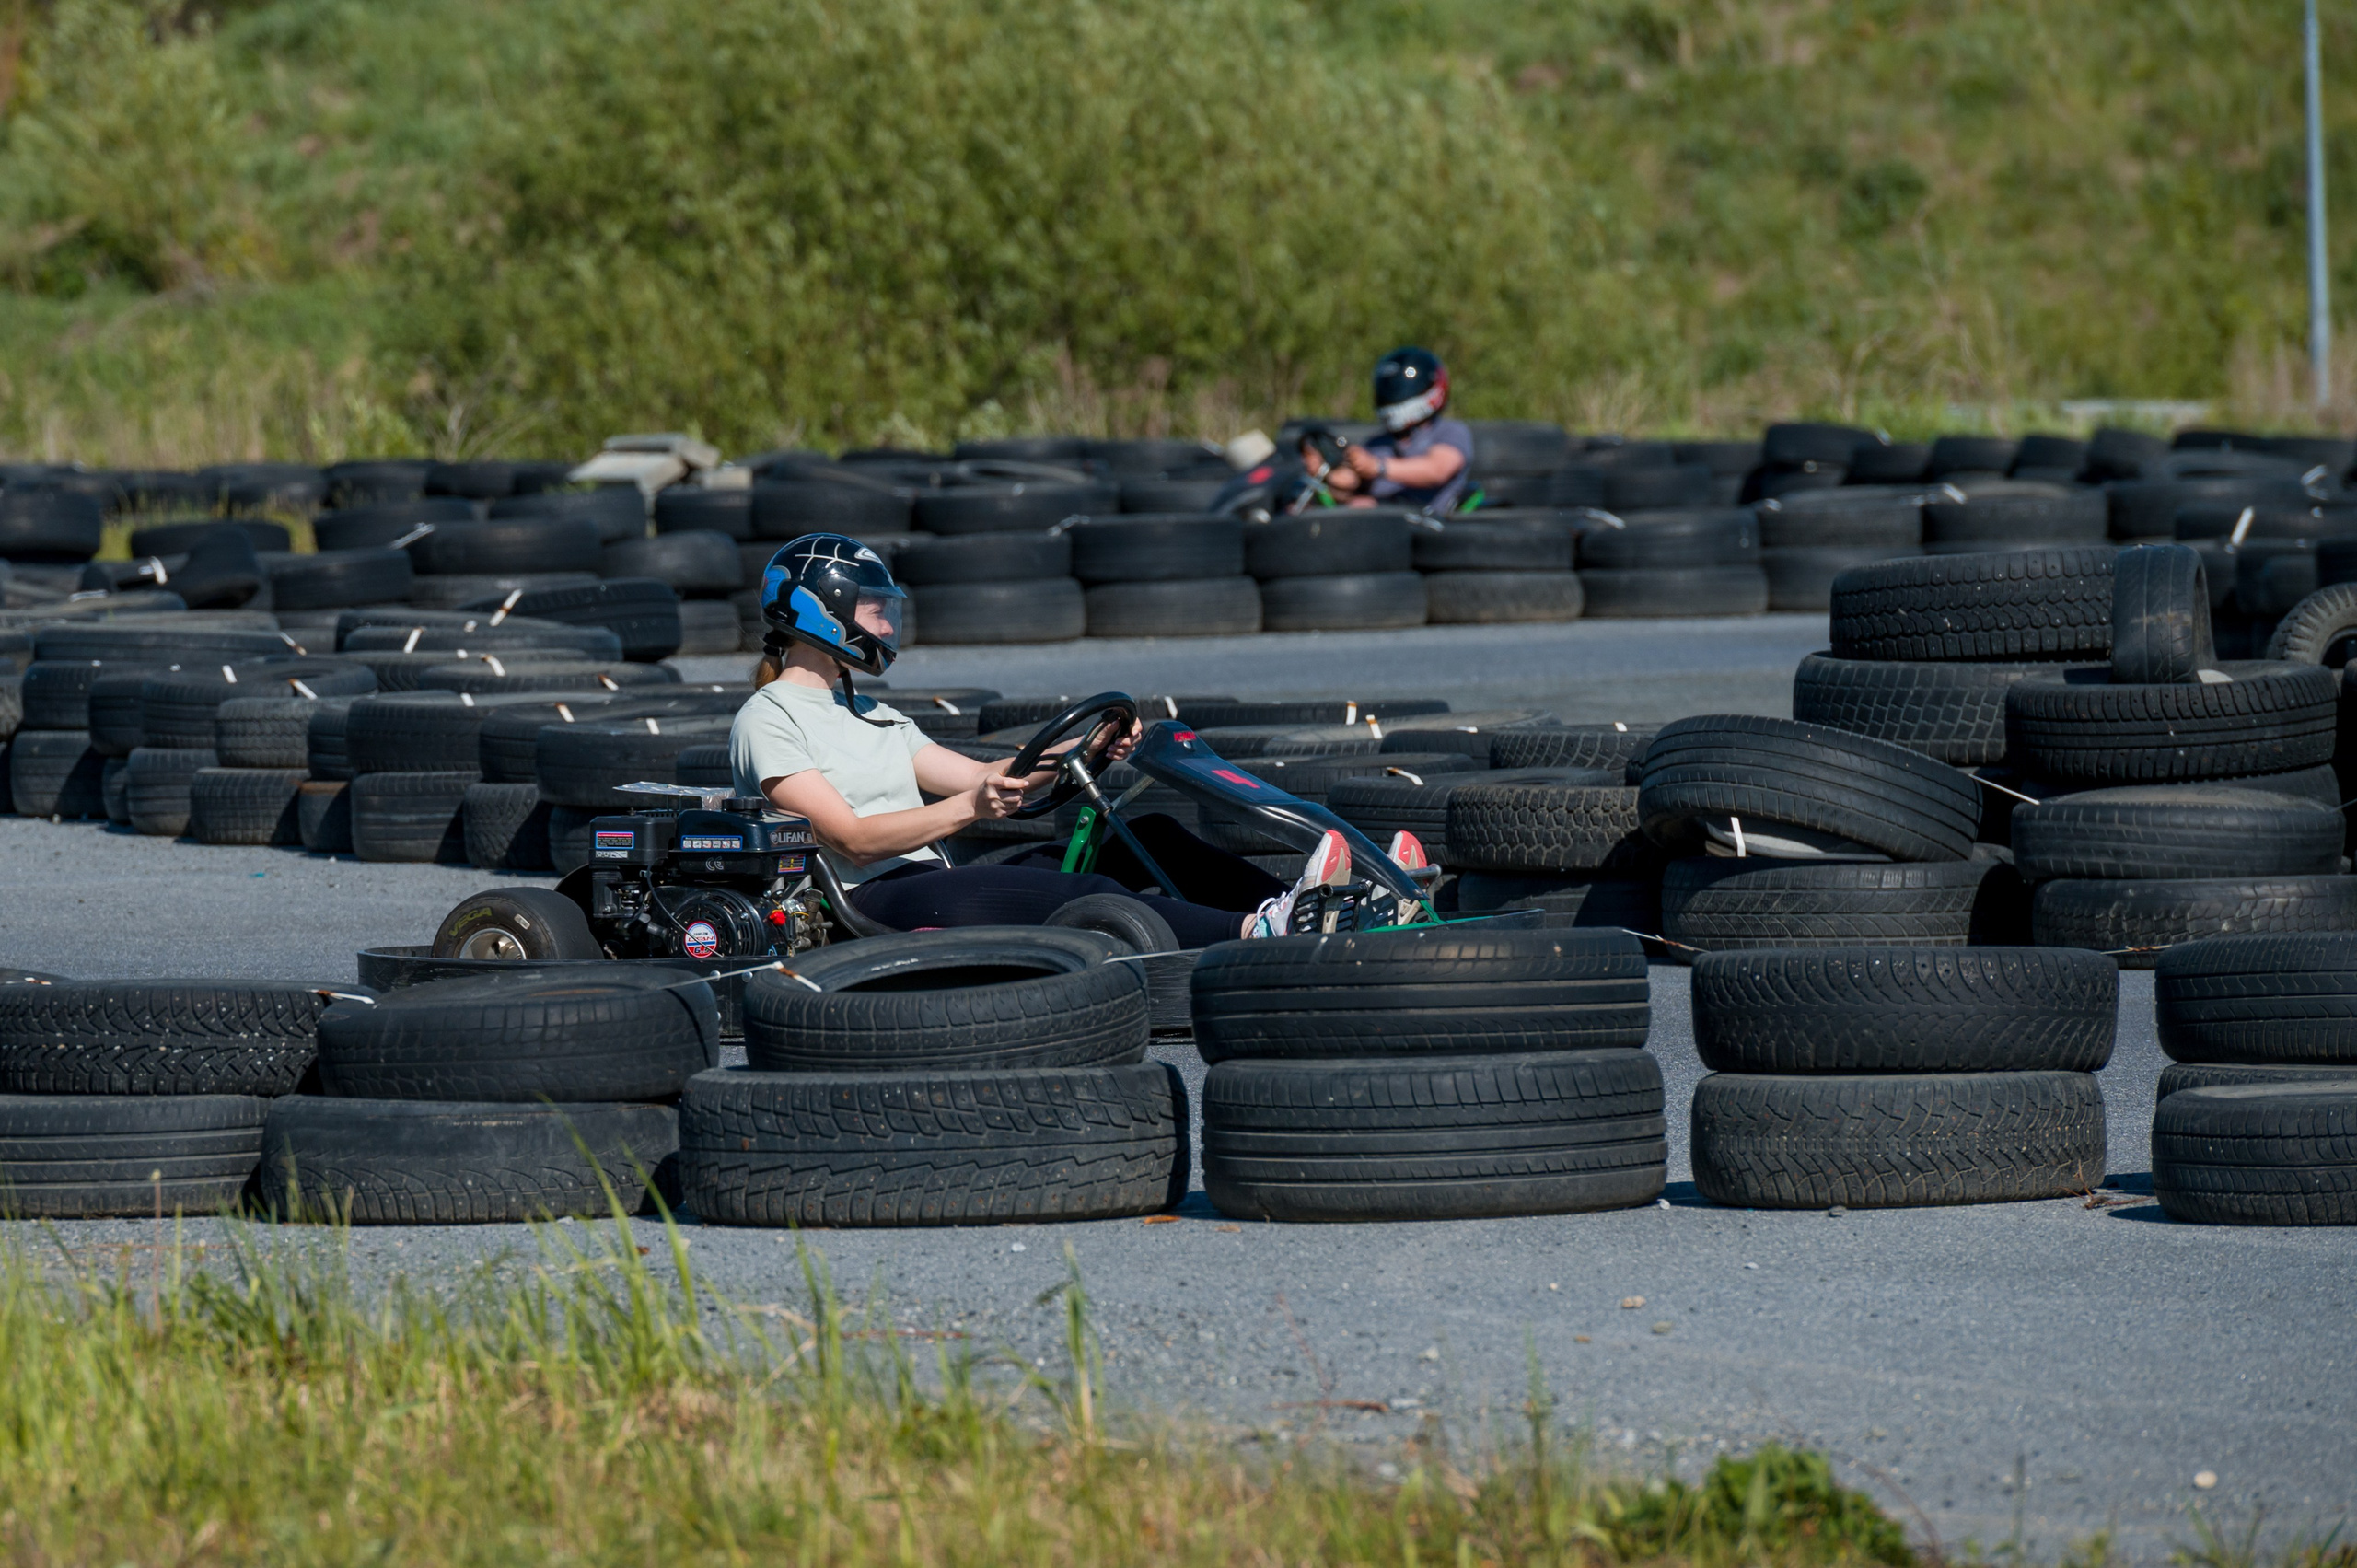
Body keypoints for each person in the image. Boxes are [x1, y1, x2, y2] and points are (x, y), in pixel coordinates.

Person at [728, 534, 1411, 946]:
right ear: (824, 612)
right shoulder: (769, 719)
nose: (885, 624)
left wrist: (1083, 751)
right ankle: (1261, 933)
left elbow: (978, 775)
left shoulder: (869, 709)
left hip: (932, 879)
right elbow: (848, 836)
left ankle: (1325, 904)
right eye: (874, 610)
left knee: (1149, 834)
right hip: (870, 901)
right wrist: (974, 808)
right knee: (1091, 890)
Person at [1300, 346, 1475, 514]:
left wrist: (1379, 467)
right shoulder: (1377, 444)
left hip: (1424, 524)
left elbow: (1437, 470)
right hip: (1373, 525)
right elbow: (1350, 485)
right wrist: (1325, 472)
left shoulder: (1449, 431)